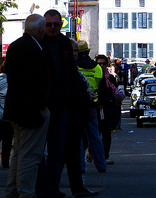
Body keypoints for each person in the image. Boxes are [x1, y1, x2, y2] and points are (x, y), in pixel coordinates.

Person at [3, 14, 51, 198]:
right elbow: (35, 81)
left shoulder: (16, 46)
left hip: (17, 108)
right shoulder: (34, 49)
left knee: (19, 153)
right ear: (40, 30)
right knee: (30, 157)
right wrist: (41, 105)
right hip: (31, 110)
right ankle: (25, 192)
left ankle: (13, 191)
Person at [38, 9, 80, 198]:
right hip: (42, 104)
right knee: (38, 150)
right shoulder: (38, 42)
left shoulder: (64, 43)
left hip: (60, 104)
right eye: (49, 25)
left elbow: (71, 72)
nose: (53, 28)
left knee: (57, 150)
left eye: (56, 24)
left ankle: (52, 188)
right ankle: (43, 187)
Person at [65, 40, 99, 198]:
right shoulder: (67, 68)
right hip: (73, 115)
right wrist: (87, 96)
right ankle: (78, 185)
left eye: (76, 51)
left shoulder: (73, 67)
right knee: (75, 152)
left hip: (78, 115)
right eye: (71, 50)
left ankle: (78, 186)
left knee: (74, 153)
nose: (74, 53)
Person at [75, 40, 107, 173]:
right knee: (94, 136)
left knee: (77, 138)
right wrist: (100, 104)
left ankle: (80, 166)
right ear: (88, 52)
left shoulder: (74, 66)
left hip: (76, 106)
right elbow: (102, 89)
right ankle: (101, 165)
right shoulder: (97, 68)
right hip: (92, 106)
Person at [95, 55, 120, 165]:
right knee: (94, 132)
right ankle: (91, 152)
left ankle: (105, 156)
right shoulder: (95, 75)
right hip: (95, 107)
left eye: (104, 63)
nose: (101, 66)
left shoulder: (110, 77)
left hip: (107, 108)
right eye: (99, 64)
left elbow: (115, 91)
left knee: (106, 132)